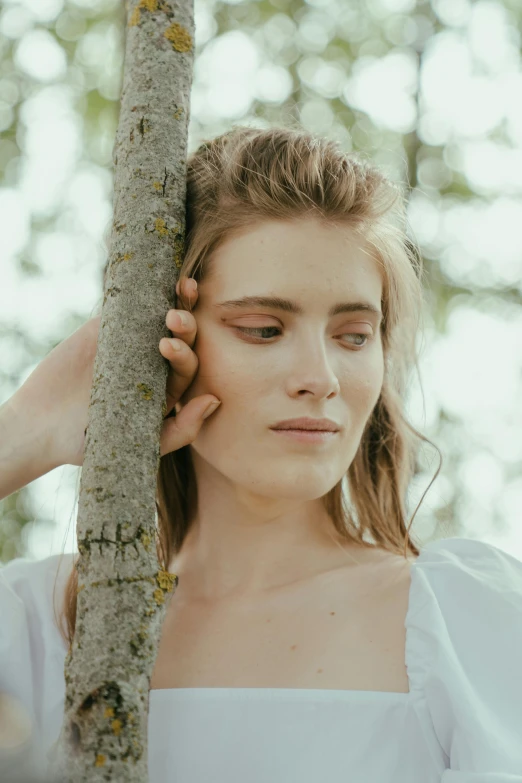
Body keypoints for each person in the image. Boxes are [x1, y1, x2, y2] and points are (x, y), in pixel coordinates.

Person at [1, 126, 521, 783]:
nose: (320, 375)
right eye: (264, 329)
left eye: (353, 335)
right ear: (169, 337)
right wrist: (23, 432)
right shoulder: (42, 626)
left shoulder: (470, 627)